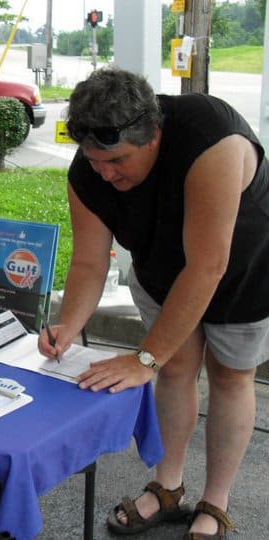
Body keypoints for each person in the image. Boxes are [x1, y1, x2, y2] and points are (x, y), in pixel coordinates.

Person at [38, 66, 269, 540]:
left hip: (242, 262)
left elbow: (208, 266)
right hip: (160, 264)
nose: (105, 172)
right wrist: (68, 324)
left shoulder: (211, 139)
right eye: (95, 160)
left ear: (153, 136)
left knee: (229, 375)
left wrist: (144, 357)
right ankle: (168, 486)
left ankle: (216, 501)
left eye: (117, 160)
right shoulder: (90, 170)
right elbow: (87, 263)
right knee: (175, 367)